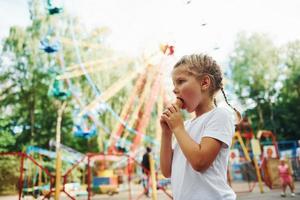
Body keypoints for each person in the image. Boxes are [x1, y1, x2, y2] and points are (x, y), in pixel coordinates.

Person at [160, 54, 240, 200]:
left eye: (180, 81)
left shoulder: (220, 115)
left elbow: (200, 162)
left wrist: (177, 128)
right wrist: (166, 133)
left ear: (204, 83)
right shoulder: (186, 126)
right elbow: (167, 171)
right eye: (173, 84)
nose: (174, 90)